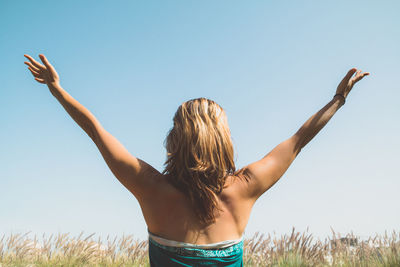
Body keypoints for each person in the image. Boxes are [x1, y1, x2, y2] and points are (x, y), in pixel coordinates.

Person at [24, 54, 369, 266]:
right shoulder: (245, 188)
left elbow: (96, 131)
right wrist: (338, 99)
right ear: (223, 138)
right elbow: (298, 140)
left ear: (176, 139)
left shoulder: (151, 188)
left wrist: (58, 90)